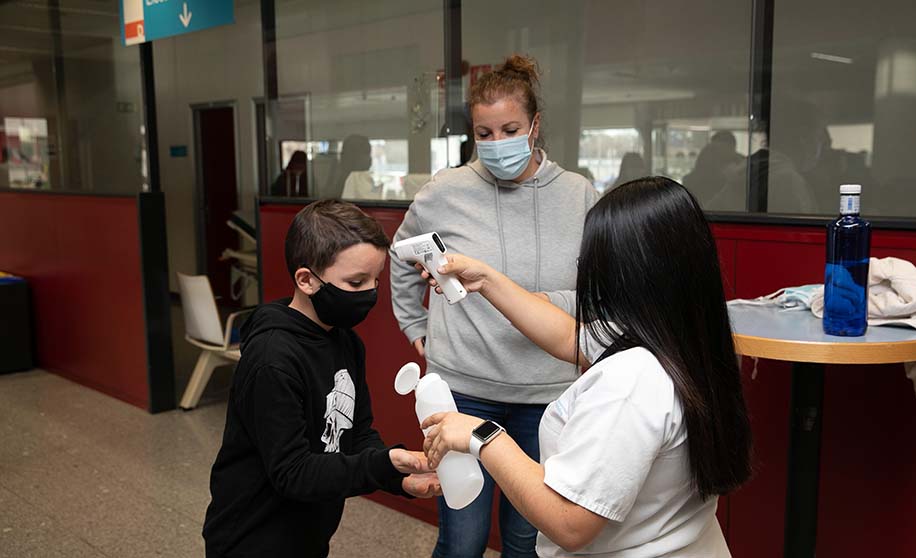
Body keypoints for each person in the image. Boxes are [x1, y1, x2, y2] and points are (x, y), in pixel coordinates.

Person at [421, 177, 753, 557]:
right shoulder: (688, 339)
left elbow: (569, 521)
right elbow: (571, 338)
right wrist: (488, 279)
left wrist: (482, 436)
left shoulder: (630, 380)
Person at [390, 54, 598, 558]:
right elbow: (402, 258)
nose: (497, 142)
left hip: (546, 393)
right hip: (463, 388)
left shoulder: (579, 195)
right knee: (462, 540)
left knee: (528, 541)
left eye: (510, 128)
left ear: (535, 126)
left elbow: (601, 286)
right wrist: (416, 325)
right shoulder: (445, 192)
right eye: (485, 133)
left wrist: (540, 301)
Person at [203, 200, 440, 558]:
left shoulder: (345, 340)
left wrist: (399, 477)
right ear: (306, 280)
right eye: (356, 282)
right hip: (251, 539)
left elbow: (357, 433)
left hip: (308, 532)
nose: (370, 293)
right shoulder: (272, 359)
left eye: (375, 280)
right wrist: (383, 464)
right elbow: (292, 472)